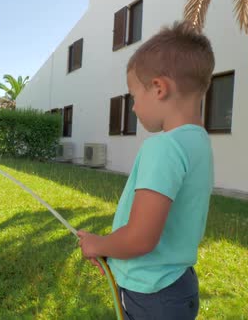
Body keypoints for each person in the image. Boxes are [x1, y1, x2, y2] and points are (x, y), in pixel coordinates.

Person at [77, 21, 215, 320]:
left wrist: (98, 244)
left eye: (133, 96)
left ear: (159, 88)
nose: (134, 108)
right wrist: (110, 252)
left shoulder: (164, 147)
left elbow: (141, 238)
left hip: (153, 296)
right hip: (177, 285)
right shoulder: (199, 143)